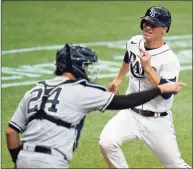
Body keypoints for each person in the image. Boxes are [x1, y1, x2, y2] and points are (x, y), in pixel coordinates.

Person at [6, 43, 185, 168]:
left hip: (23, 158)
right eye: (85, 66)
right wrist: (160, 88)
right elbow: (125, 102)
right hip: (51, 162)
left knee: (173, 163)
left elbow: (11, 132)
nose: (87, 70)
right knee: (108, 142)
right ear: (75, 67)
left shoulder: (35, 90)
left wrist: (17, 161)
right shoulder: (81, 91)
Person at [99, 6, 192, 169]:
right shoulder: (135, 41)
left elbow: (167, 94)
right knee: (106, 143)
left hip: (157, 120)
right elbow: (128, 56)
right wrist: (118, 78)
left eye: (153, 24)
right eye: (145, 22)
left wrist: (148, 68)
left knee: (174, 165)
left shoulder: (170, 60)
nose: (147, 27)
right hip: (130, 113)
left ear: (164, 29)